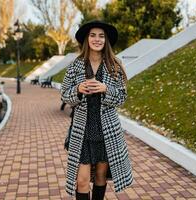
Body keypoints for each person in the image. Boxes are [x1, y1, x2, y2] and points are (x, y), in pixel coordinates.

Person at [61, 20, 133, 200]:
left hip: (107, 131)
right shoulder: (76, 65)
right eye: (93, 35)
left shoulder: (115, 65)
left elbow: (122, 97)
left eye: (101, 36)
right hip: (82, 131)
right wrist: (77, 90)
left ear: (106, 40)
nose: (97, 39)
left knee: (101, 177)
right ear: (87, 39)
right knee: (82, 180)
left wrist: (105, 89)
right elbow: (64, 95)